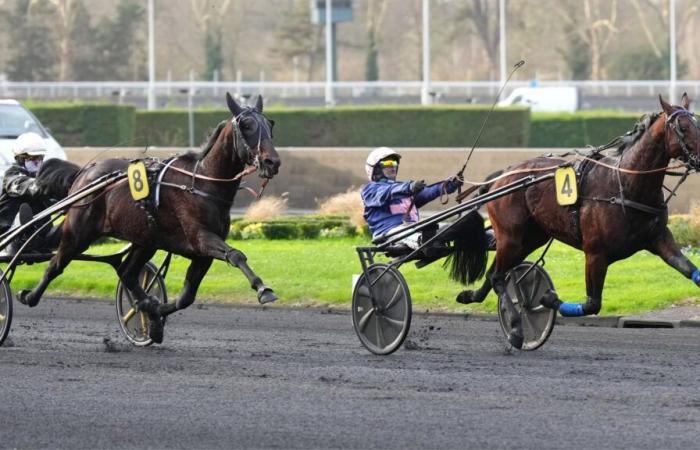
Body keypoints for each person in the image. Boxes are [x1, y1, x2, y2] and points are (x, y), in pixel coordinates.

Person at [361, 147, 465, 252]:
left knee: (454, 228)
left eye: (394, 163)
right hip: (388, 233)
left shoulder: (402, 187)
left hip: (414, 228)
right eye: (387, 163)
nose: (392, 167)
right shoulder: (370, 190)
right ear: (376, 169)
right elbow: (388, 191)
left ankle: (432, 241)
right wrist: (409, 187)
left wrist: (449, 185)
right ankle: (424, 242)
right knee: (406, 232)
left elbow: (428, 193)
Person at [0, 132, 57, 252]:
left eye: (40, 158)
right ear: (20, 159)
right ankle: (17, 243)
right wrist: (54, 185)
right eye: (32, 158)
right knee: (24, 213)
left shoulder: (43, 179)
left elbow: (56, 201)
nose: (37, 162)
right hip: (8, 234)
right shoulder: (11, 176)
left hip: (40, 232)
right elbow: (29, 187)